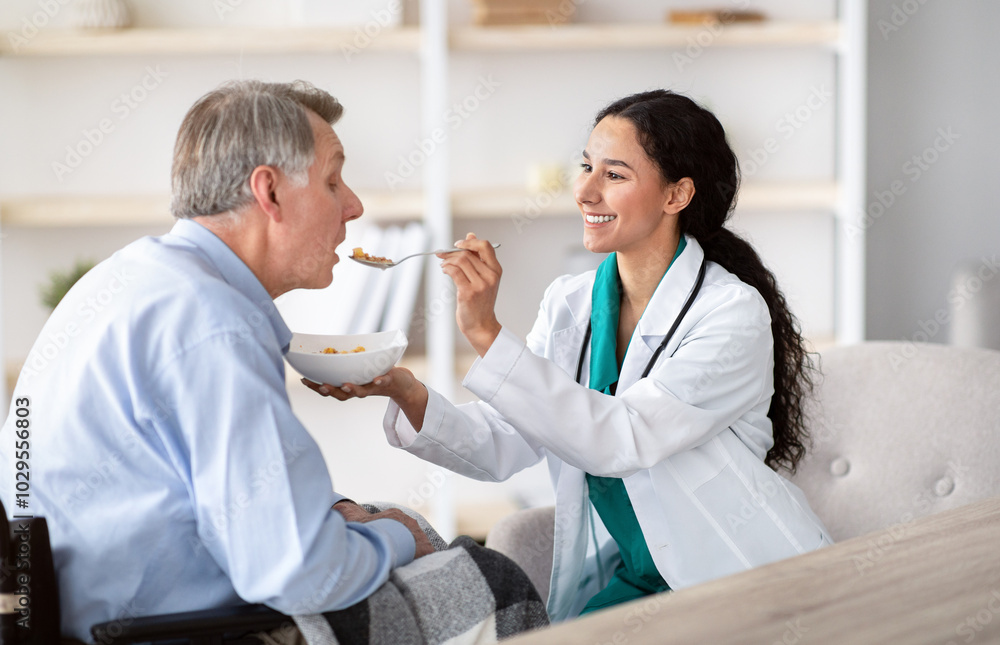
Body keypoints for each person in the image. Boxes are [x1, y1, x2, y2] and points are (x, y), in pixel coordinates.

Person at [306, 89, 834, 621]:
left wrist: (488, 333)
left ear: (677, 195)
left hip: (739, 579)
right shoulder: (571, 303)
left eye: (614, 174)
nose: (584, 191)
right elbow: (503, 442)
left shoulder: (730, 313)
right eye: (586, 167)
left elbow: (619, 438)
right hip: (642, 579)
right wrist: (403, 389)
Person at [0, 80, 438, 642]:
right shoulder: (214, 322)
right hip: (174, 632)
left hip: (67, 612)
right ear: (270, 193)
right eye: (333, 181)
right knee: (485, 574)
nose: (353, 205)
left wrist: (340, 511)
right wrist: (401, 534)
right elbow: (298, 574)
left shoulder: (127, 276)